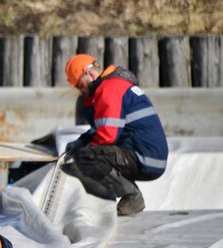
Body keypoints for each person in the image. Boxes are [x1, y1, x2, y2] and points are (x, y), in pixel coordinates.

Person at [62, 54, 168, 216]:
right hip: (148, 155)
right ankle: (127, 195)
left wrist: (81, 155)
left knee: (87, 158)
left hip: (145, 158)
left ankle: (131, 196)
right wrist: (81, 142)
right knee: (87, 155)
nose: (80, 90)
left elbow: (107, 136)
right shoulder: (116, 85)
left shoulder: (109, 89)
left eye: (79, 84)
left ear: (89, 74)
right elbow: (100, 129)